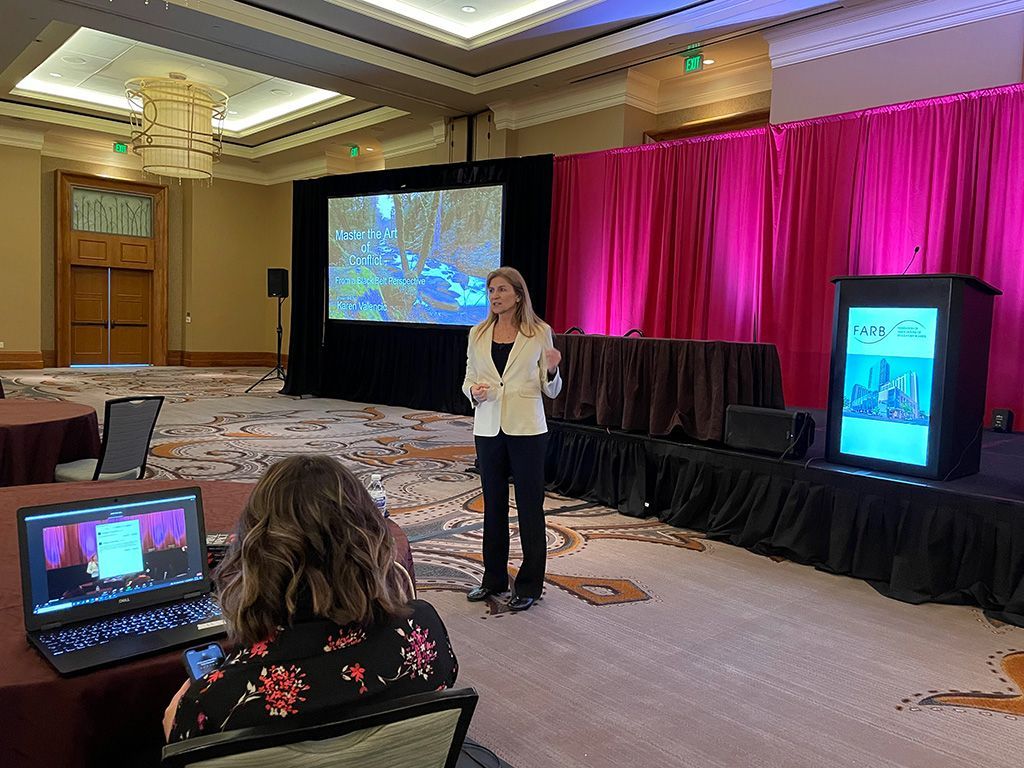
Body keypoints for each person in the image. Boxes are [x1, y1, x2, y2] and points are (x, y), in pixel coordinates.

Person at [163, 454, 458, 741]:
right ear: (370, 540)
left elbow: (187, 756)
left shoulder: (214, 700)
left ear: (255, 555)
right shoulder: (423, 630)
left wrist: (175, 724)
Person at [461, 267, 562, 612]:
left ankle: (530, 585)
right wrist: (472, 391)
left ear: (518, 294)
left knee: (530, 507)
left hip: (527, 430)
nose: (494, 296)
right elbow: (469, 377)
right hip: (488, 427)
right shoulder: (477, 332)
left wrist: (551, 370)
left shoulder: (539, 332)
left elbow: (551, 389)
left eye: (502, 290)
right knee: (493, 506)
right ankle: (493, 579)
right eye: (490, 291)